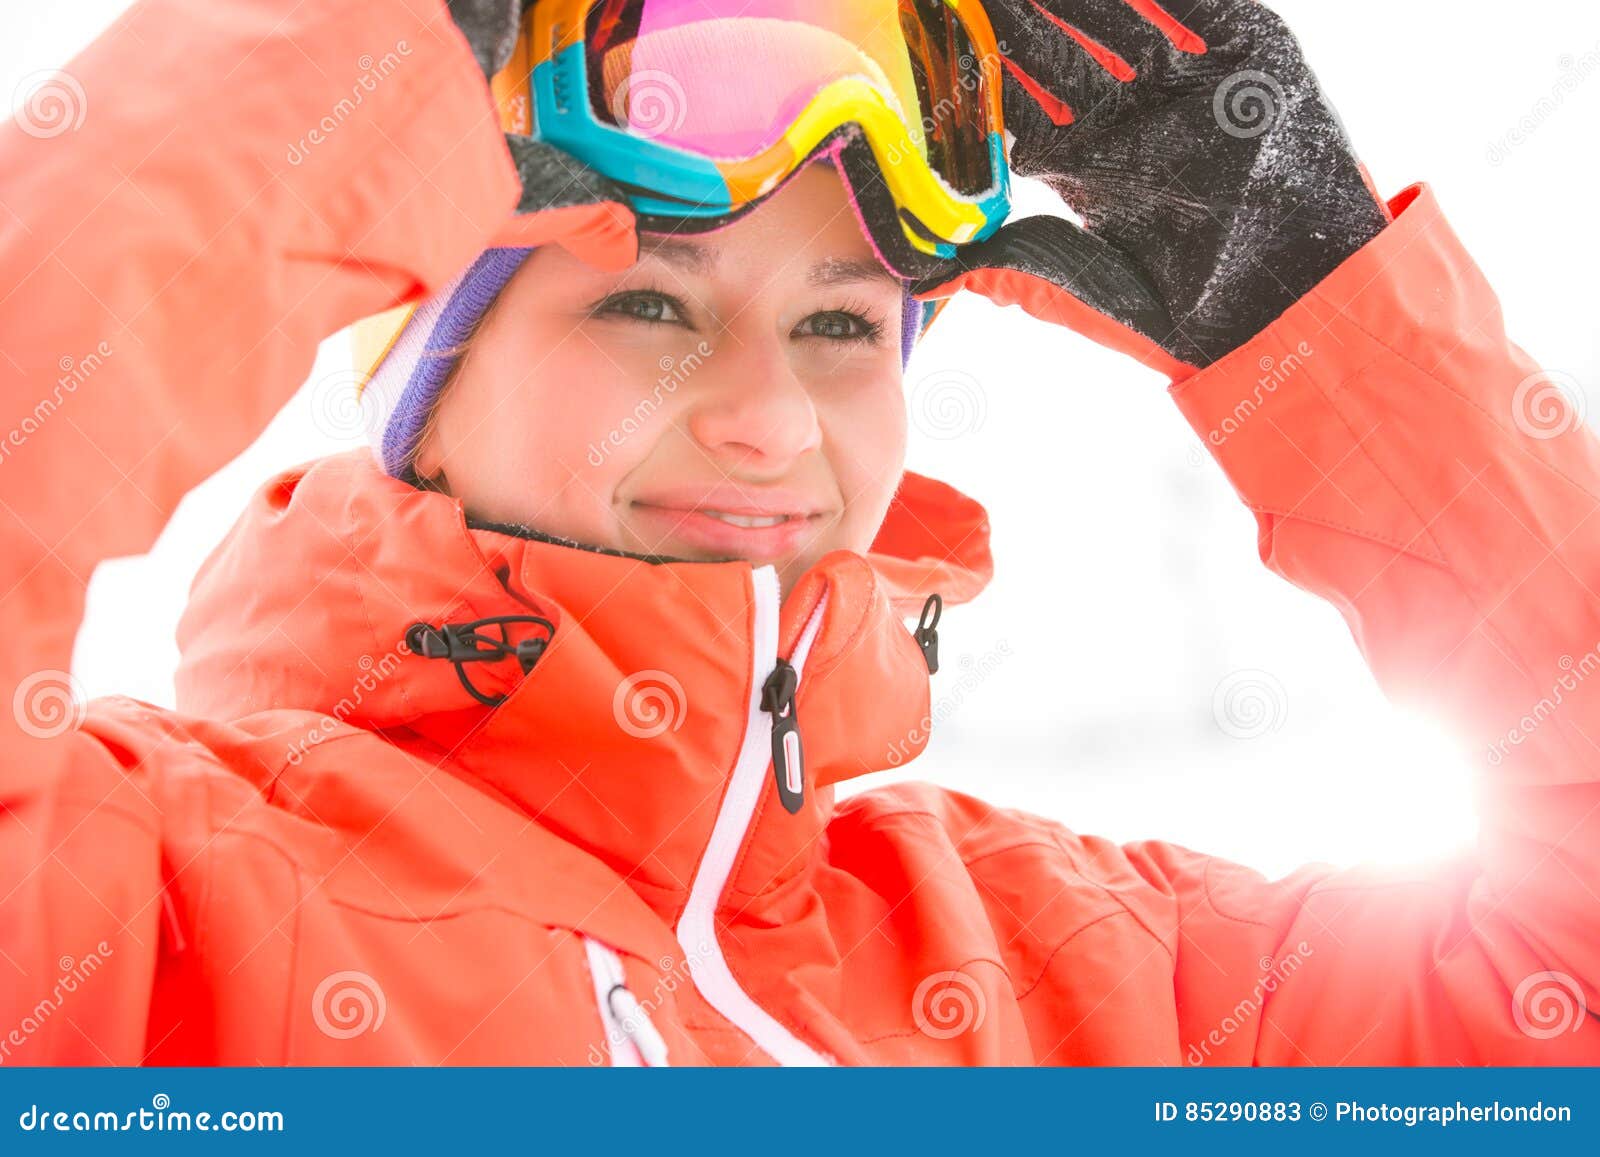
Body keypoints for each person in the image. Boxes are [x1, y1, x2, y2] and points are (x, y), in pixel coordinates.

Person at [1, 0, 1595, 1067]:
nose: (768, 420)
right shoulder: (163, 906)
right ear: (421, 378)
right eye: (646, 300)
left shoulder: (1095, 984)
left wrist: (1319, 307)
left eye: (841, 328)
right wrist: (338, 69)